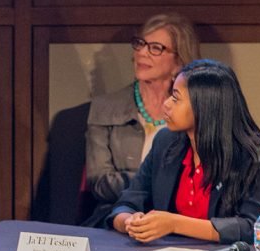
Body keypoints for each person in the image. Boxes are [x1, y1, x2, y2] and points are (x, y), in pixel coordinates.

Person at [108, 59, 260, 244]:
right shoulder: (165, 142)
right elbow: (126, 203)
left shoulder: (256, 156)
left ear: (204, 107)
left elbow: (253, 227)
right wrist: (130, 222)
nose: (166, 104)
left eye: (176, 98)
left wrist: (175, 224)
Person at [84, 13, 199, 225]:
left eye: (156, 48)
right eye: (140, 44)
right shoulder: (105, 108)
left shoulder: (194, 112)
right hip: (116, 216)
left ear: (178, 62)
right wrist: (159, 183)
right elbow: (100, 183)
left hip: (179, 220)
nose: (142, 53)